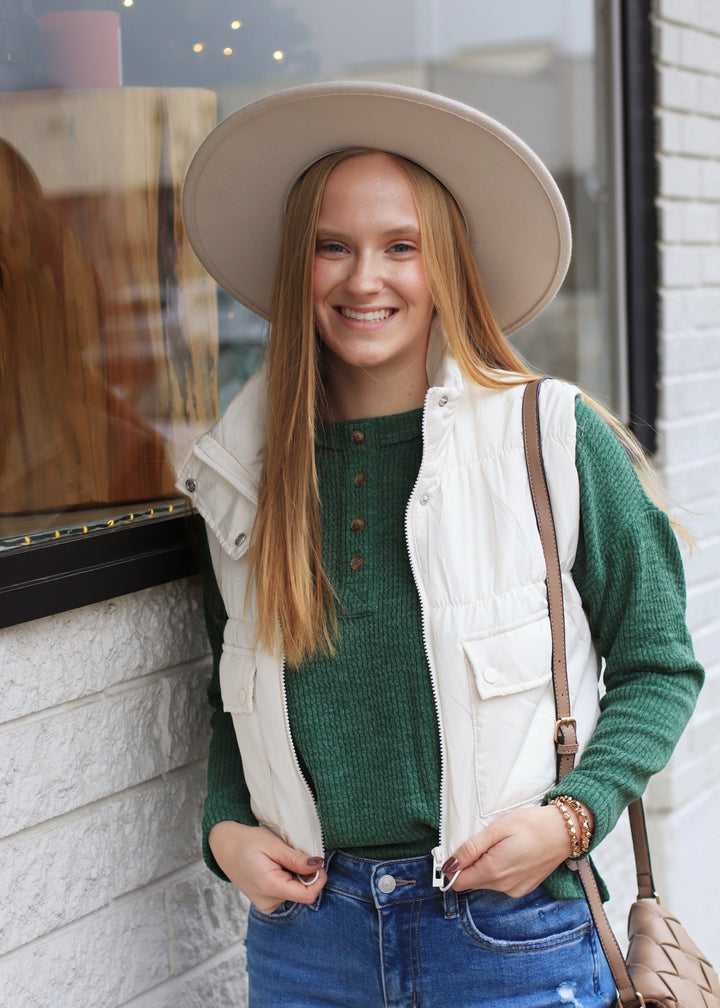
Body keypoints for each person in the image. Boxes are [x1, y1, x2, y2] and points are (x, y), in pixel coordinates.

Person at [177, 82, 703, 1007]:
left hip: (508, 933)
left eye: (400, 246)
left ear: (446, 264)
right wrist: (226, 829)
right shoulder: (243, 472)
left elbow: (659, 664)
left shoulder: (551, 436)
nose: (363, 278)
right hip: (309, 944)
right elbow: (238, 695)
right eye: (331, 247)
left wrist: (573, 818)